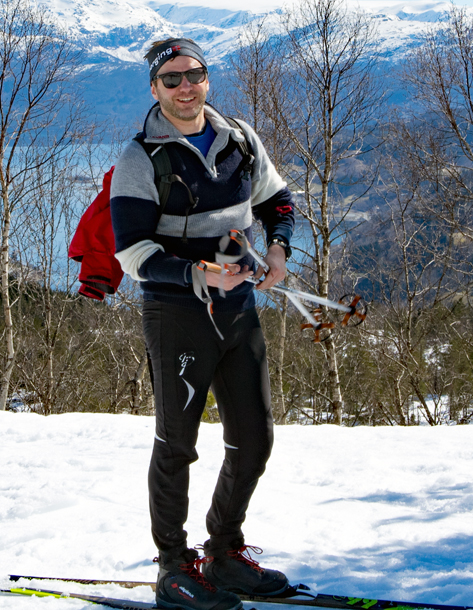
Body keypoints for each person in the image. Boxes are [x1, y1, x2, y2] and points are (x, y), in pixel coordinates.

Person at [110, 37, 297, 610]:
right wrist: (201, 274)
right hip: (178, 315)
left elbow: (277, 199)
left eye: (195, 74)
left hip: (238, 310)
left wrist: (279, 251)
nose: (185, 87)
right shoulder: (140, 159)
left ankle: (223, 552)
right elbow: (135, 254)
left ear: (206, 79)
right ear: (154, 88)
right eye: (172, 79)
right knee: (177, 443)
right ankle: (172, 568)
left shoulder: (238, 139)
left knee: (255, 438)